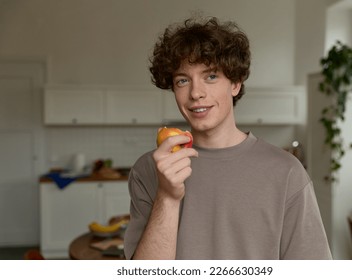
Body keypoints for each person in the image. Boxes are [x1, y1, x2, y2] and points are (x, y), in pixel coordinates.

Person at [124, 16, 332, 260]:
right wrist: (167, 197)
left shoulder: (286, 172)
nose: (196, 93)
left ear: (235, 83)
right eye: (183, 80)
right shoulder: (150, 169)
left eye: (211, 76)